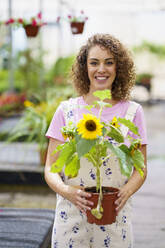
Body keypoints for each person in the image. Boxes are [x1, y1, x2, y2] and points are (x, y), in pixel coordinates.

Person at [44, 33, 147, 248]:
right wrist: (66, 191)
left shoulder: (133, 112)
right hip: (71, 214)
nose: (102, 69)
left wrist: (127, 191)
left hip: (115, 216)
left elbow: (140, 167)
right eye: (94, 63)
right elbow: (51, 169)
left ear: (119, 68)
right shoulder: (67, 111)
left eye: (109, 63)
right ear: (85, 68)